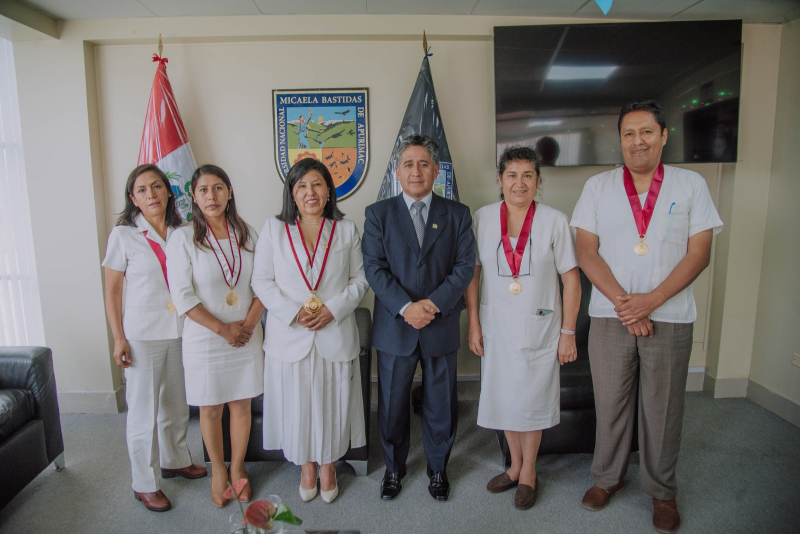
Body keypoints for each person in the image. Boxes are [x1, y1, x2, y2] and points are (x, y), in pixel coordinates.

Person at [570, 100, 723, 534]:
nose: (638, 141)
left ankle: (662, 492)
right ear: (620, 140)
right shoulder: (598, 186)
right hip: (609, 316)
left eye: (647, 132)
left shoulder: (691, 184)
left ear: (663, 136)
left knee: (663, 408)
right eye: (629, 134)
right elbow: (586, 251)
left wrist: (650, 300)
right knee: (611, 404)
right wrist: (627, 303)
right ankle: (608, 479)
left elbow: (700, 254)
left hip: (670, 317)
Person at [465, 146, 581, 510]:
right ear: (500, 180)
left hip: (540, 327)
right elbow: (473, 273)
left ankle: (529, 471)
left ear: (538, 181)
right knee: (505, 396)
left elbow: (572, 281)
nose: (519, 182)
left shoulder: (554, 221)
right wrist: (473, 323)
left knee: (531, 400)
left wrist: (568, 332)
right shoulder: (483, 218)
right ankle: (514, 466)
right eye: (512, 175)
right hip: (496, 324)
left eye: (528, 175)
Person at [362, 134, 476, 502]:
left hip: (440, 324)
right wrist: (406, 307)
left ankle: (438, 467)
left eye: (423, 163)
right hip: (396, 326)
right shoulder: (378, 214)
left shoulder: (457, 213)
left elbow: (464, 268)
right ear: (398, 171)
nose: (416, 171)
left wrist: (432, 305)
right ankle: (395, 468)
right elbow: (374, 269)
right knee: (393, 403)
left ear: (436, 170)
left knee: (441, 402)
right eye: (408, 164)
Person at [252, 158, 368, 504]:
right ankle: (305, 465)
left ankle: (329, 465)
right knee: (297, 403)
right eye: (301, 186)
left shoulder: (346, 230)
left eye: (317, 184)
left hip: (334, 331)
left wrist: (333, 309)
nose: (310, 192)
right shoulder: (273, 229)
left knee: (333, 401)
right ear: (292, 192)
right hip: (290, 334)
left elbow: (360, 279)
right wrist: (293, 312)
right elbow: (261, 280)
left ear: (329, 190)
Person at [102, 164, 207, 513]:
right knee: (143, 410)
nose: (152, 195)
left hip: (180, 329)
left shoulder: (182, 232)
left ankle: (175, 459)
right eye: (143, 190)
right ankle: (144, 483)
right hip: (142, 335)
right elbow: (113, 291)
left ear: (168, 192)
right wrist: (118, 338)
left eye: (158, 187)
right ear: (133, 198)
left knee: (176, 405)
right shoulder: (124, 236)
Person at [166, 164, 265, 508]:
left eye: (219, 188)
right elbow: (183, 296)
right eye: (204, 189)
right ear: (193, 195)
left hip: (246, 332)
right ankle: (218, 470)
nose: (212, 196)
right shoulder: (182, 238)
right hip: (206, 337)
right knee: (210, 408)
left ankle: (238, 468)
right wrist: (224, 329)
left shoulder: (248, 233)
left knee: (241, 405)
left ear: (230, 191)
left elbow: (263, 284)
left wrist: (248, 326)